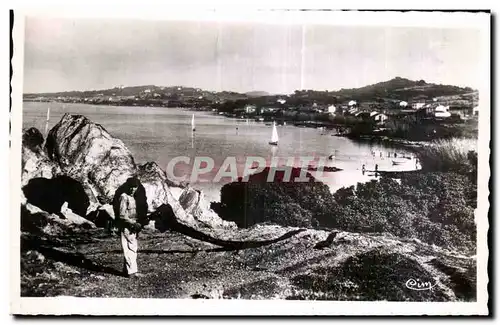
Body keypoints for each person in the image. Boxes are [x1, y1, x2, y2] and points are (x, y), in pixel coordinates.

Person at [113, 177, 149, 278]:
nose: (133, 189)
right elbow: (121, 215)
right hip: (127, 226)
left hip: (133, 225)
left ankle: (127, 271)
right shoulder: (124, 197)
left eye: (135, 187)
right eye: (131, 187)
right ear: (128, 187)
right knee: (130, 248)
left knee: (131, 247)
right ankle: (132, 272)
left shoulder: (133, 198)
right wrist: (133, 223)